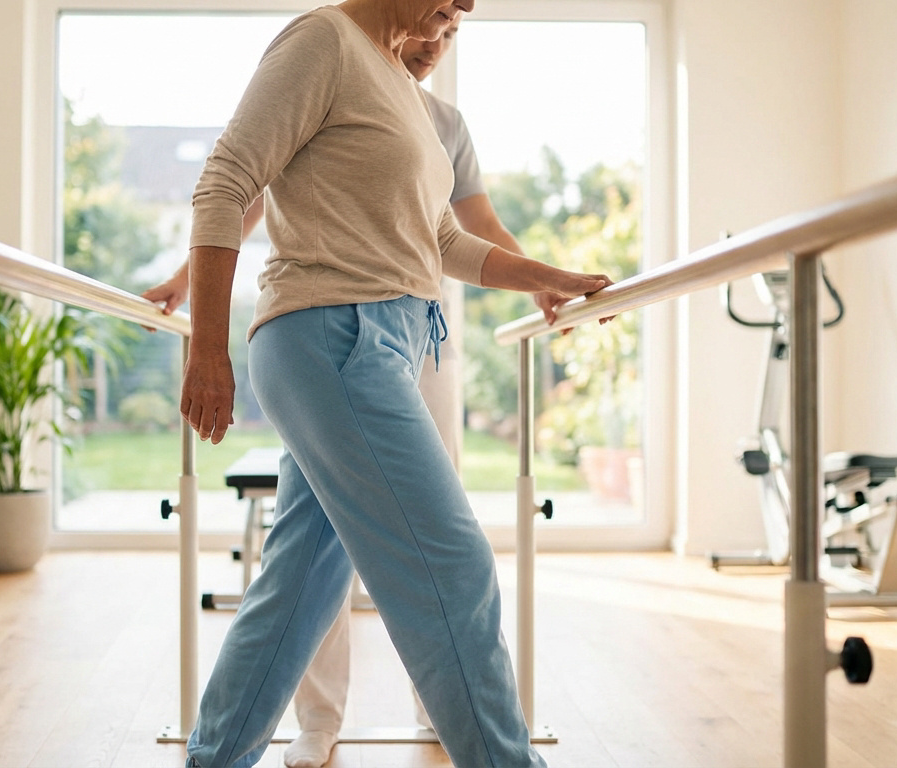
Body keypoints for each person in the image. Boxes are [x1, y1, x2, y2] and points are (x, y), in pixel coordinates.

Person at [177, 2, 611, 765]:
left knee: (301, 586)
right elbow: (225, 184)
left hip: (376, 346)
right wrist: (206, 347)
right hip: (332, 339)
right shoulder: (323, 41)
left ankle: (212, 760)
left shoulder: (398, 84)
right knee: (454, 565)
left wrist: (543, 276)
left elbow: (441, 237)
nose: (463, 7)